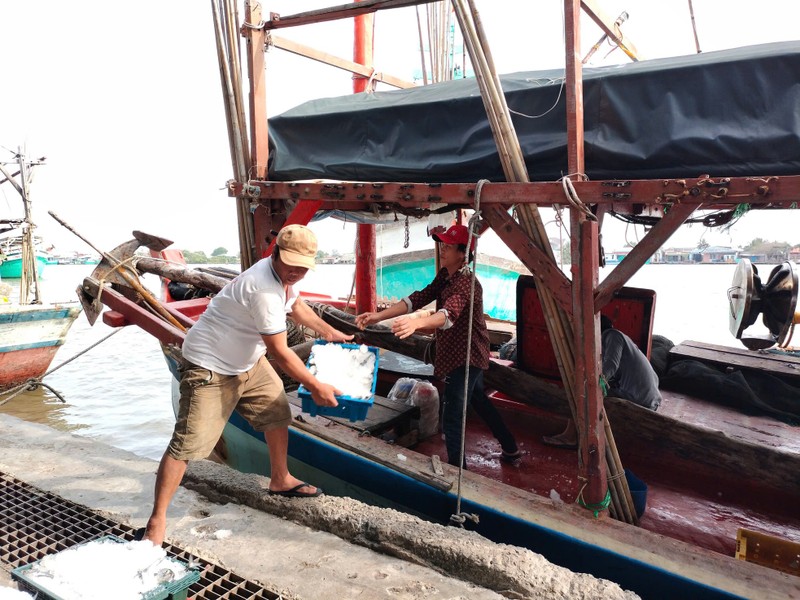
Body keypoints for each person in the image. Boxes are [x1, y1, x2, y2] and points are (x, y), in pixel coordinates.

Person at [143, 224, 353, 546]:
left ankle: (280, 479)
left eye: (303, 267)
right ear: (276, 254)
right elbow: (281, 353)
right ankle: (156, 521)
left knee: (276, 412)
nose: (297, 272)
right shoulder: (263, 289)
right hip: (209, 366)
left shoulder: (284, 278)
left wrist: (328, 331)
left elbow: (296, 306)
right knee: (188, 445)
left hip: (247, 361)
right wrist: (315, 385)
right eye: (292, 265)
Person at [355, 224, 521, 468]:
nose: (442, 249)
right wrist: (378, 316)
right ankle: (510, 447)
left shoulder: (466, 283)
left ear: (463, 254)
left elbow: (447, 315)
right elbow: (417, 298)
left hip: (465, 355)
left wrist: (417, 323)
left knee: (452, 415)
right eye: (442, 244)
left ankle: (457, 471)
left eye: (449, 246)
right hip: (462, 352)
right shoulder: (445, 276)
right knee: (479, 400)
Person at [543, 315, 662, 448]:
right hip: (648, 398)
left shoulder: (612, 335)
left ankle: (570, 437)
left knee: (582, 393)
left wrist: (596, 385)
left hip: (639, 399)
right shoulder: (620, 339)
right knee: (586, 389)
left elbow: (611, 365)